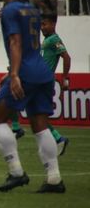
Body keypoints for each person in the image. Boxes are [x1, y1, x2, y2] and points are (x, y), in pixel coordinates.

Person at [0, 0, 65, 193]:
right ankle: (54, 179)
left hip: (25, 74)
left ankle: (16, 172)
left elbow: (15, 42)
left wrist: (14, 74)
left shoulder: (9, 10)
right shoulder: (31, 8)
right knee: (40, 126)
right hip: (42, 71)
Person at [9, 14, 71, 154]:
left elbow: (66, 57)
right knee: (37, 115)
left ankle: (16, 128)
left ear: (53, 24)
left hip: (40, 81)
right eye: (41, 25)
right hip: (38, 79)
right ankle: (58, 138)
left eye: (45, 24)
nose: (42, 28)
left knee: (12, 93)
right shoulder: (46, 41)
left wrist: (65, 78)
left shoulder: (54, 39)